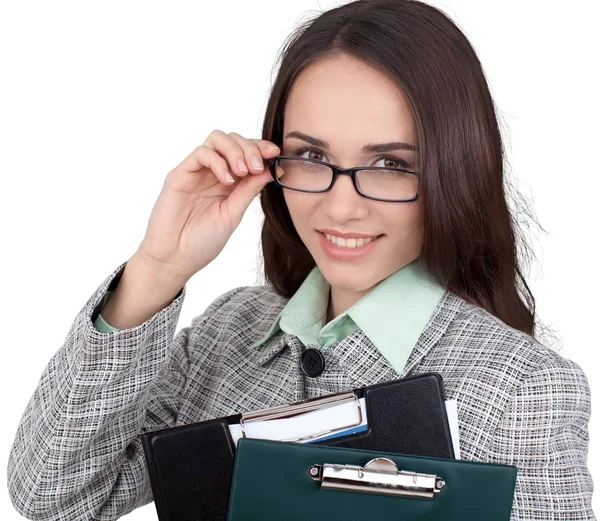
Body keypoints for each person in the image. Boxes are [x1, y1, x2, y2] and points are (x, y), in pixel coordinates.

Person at [7, 0, 595, 520]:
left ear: (454, 171)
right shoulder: (228, 333)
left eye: (390, 165)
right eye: (311, 155)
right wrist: (159, 268)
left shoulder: (521, 387)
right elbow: (54, 498)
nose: (340, 208)